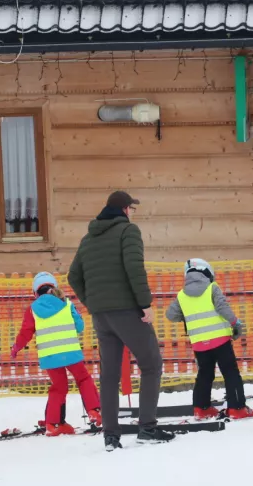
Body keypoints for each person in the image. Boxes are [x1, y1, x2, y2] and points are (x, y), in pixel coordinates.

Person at [67, 190, 172, 451]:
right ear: (125, 209)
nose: (132, 213)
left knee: (109, 375)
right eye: (131, 209)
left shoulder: (88, 239)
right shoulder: (128, 231)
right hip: (127, 311)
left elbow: (73, 276)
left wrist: (92, 303)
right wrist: (144, 304)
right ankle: (147, 428)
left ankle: (111, 436)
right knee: (151, 364)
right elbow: (134, 268)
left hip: (101, 317)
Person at [10, 272, 101, 436]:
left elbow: (25, 333)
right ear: (55, 287)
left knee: (59, 388)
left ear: (35, 293)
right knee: (83, 379)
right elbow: (79, 327)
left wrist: (16, 348)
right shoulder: (67, 304)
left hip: (49, 357)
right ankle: (94, 412)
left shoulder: (32, 310)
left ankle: (53, 425)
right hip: (71, 353)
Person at [165, 258, 253, 420]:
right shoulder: (212, 288)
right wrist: (235, 323)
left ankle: (202, 409)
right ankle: (237, 409)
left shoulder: (181, 295)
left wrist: (188, 314)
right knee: (230, 372)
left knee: (205, 374)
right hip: (220, 340)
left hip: (199, 343)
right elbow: (222, 307)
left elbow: (171, 315)